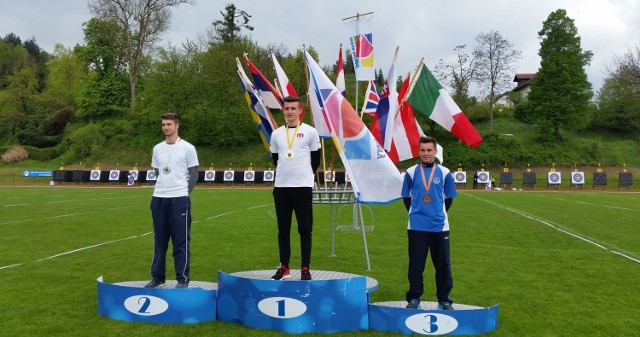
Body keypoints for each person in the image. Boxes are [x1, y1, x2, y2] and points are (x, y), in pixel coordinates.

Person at [401, 136, 457, 310]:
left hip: (439, 226)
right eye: (423, 150)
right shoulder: (410, 172)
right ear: (419, 151)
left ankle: (444, 298)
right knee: (416, 264)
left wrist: (436, 214)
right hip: (416, 226)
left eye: (429, 150)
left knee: (443, 265)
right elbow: (406, 197)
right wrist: (417, 213)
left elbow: (448, 199)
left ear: (435, 151)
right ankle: (414, 297)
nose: (426, 153)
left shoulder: (445, 172)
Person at [145, 112, 199, 288]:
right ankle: (157, 277)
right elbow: (157, 171)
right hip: (159, 199)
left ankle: (182, 279)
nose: (166, 127)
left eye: (169, 124)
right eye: (163, 125)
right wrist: (163, 186)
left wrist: (184, 192)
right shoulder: (157, 148)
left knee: (180, 241)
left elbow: (194, 174)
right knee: (159, 241)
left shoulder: (188, 148)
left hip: (179, 200)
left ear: (177, 126)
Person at [269, 96, 321, 280]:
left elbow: (316, 161)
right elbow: (276, 160)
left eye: (293, 108)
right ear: (283, 111)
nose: (289, 112)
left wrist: (304, 176)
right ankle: (284, 266)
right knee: (283, 229)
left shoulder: (310, 132)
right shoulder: (276, 134)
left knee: (305, 229)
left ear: (300, 111)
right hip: (282, 187)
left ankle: (305, 268)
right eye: (286, 108)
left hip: (302, 187)